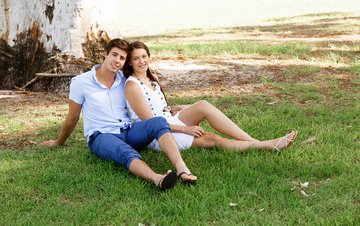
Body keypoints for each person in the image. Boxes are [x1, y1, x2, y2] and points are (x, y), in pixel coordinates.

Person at [39, 38, 197, 191]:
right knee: (125, 152)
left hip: (127, 130)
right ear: (105, 54)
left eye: (122, 58)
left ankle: (182, 169)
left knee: (158, 122)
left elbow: (146, 86)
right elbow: (72, 117)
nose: (117, 60)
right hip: (102, 135)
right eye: (114, 55)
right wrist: (59, 141)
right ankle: (158, 179)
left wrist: (170, 108)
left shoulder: (124, 79)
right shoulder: (80, 82)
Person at [123, 41, 298, 152]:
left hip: (170, 120)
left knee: (203, 105)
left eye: (144, 56)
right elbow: (153, 123)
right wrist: (186, 129)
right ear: (130, 62)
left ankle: (254, 141)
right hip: (159, 135)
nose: (142, 61)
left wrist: (173, 108)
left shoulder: (150, 78)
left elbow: (158, 108)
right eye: (136, 58)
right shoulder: (132, 85)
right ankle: (266, 145)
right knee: (211, 139)